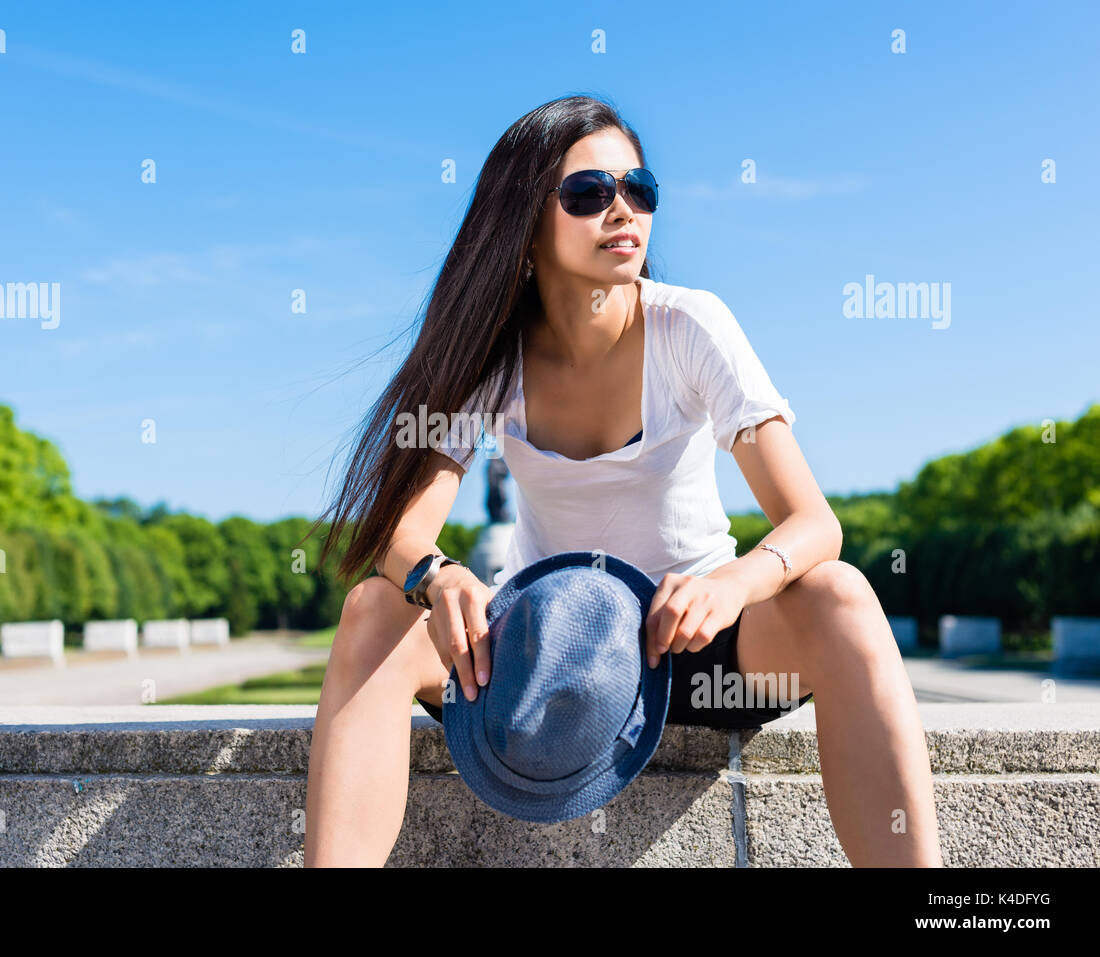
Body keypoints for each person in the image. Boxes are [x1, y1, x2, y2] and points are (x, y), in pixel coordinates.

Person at [302, 94, 941, 867]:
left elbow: (815, 523)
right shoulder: (491, 361)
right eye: (587, 193)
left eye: (638, 190)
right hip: (548, 658)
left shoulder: (692, 327)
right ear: (525, 225)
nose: (622, 210)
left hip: (701, 651)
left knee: (841, 593)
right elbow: (402, 534)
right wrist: (439, 578)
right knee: (375, 608)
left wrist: (733, 584)